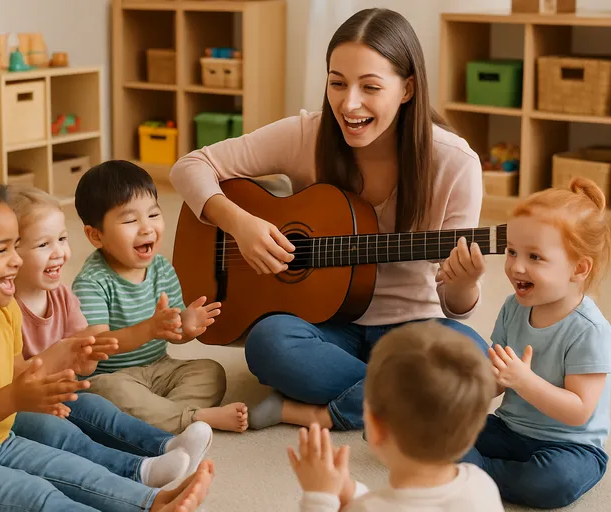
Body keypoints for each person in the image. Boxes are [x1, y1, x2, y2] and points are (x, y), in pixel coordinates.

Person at [169, 7, 487, 431]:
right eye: (337, 83)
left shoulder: (454, 163)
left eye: (370, 86)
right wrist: (239, 223)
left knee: (473, 358)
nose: (348, 103)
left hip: (413, 328)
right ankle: (409, 400)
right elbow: (189, 166)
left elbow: (454, 304)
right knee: (268, 343)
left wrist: (464, 284)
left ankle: (324, 409)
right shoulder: (307, 135)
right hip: (324, 324)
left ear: (408, 88)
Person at [0, 170, 213, 512]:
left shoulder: (3, 311)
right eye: (1, 250)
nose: (17, 259)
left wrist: (63, 356)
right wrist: (15, 397)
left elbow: (13, 372)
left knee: (72, 470)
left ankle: (151, 502)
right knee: (36, 497)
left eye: (15, 246)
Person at [8, 185, 214, 487]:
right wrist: (62, 355)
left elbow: (86, 367)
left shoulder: (63, 296)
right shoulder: (2, 306)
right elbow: (9, 381)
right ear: (9, 254)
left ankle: (167, 445)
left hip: (59, 393)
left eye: (62, 239)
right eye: (43, 245)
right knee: (60, 432)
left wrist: (86, 355)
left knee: (97, 408)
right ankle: (137, 470)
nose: (60, 252)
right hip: (17, 406)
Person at [461, 177, 611, 509]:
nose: (517, 266)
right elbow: (496, 380)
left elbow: (578, 411)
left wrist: (524, 380)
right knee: (443, 430)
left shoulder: (590, 331)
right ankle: (468, 465)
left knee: (554, 482)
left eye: (535, 257)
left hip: (570, 446)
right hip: (509, 428)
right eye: (512, 251)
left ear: (579, 268)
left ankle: (476, 473)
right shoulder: (513, 308)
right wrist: (476, 387)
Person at [71, 160, 249, 434]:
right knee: (103, 394)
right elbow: (97, 346)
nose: (146, 228)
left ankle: (161, 418)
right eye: (130, 220)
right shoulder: (92, 282)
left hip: (158, 367)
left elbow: (172, 330)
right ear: (96, 235)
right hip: (112, 376)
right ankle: (191, 418)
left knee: (210, 371)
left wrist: (186, 328)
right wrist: (149, 329)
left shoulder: (162, 268)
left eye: (153, 215)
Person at [288, 321, 504, 511]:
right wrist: (349, 489)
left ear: (375, 426)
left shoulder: (369, 507)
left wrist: (319, 497)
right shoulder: (481, 484)